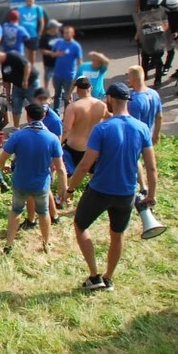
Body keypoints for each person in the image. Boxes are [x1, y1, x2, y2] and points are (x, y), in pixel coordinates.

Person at [65, 82, 158, 292]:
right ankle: (108, 278)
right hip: (126, 193)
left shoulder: (103, 129)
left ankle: (94, 274)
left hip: (100, 190)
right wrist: (150, 194)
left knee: (80, 225)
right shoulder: (142, 128)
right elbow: (151, 168)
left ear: (110, 100)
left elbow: (85, 165)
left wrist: (70, 189)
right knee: (117, 235)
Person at [0, 103, 67, 254]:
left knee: (16, 211)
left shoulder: (18, 136)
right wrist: (63, 188)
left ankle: (9, 244)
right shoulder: (52, 138)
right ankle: (46, 243)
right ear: (43, 116)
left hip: (20, 182)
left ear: (27, 116)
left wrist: (4, 167)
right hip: (41, 185)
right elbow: (60, 168)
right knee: (43, 212)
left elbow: (1, 159)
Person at [61, 77, 106, 184]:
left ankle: (64, 197)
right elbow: (110, 119)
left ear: (77, 90)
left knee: (66, 176)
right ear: (91, 88)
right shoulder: (101, 105)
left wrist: (58, 143)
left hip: (74, 147)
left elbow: (66, 129)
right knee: (94, 175)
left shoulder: (73, 107)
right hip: (93, 147)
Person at [48, 25, 83, 113]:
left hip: (69, 76)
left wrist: (79, 76)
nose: (66, 34)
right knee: (57, 95)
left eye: (68, 33)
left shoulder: (76, 46)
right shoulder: (59, 42)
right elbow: (51, 54)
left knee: (67, 96)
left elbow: (80, 62)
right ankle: (56, 113)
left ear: (72, 34)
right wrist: (56, 54)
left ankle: (67, 114)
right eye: (65, 33)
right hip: (57, 75)